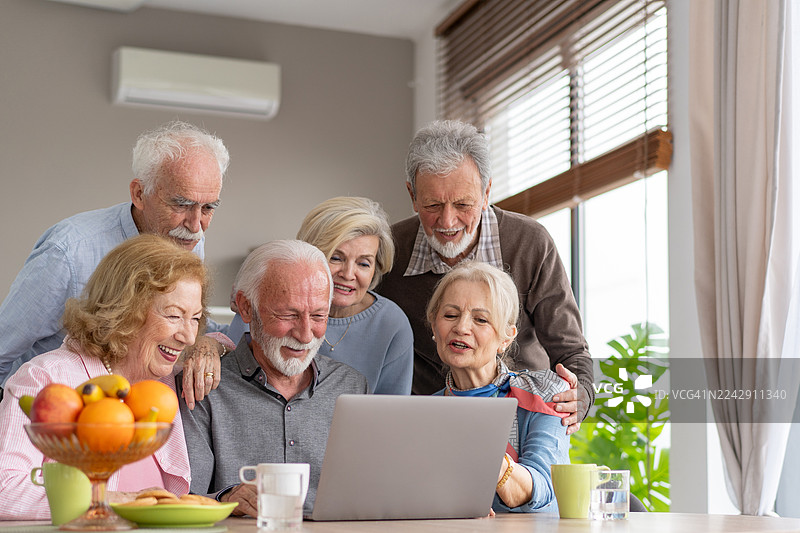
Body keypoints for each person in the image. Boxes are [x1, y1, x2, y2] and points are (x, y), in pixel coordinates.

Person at [376, 119, 593, 433]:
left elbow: (571, 351)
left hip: (520, 422)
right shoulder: (392, 251)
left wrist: (580, 396)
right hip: (430, 426)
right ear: (412, 196)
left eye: (463, 204)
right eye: (432, 204)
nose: (447, 221)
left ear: (487, 191)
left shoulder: (530, 243)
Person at [0, 120, 233, 404]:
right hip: (48, 415)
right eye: (181, 204)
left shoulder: (186, 239)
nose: (196, 225)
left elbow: (186, 326)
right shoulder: (68, 251)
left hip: (133, 414)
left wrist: (210, 342)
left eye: (208, 207)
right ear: (138, 194)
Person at [0, 234, 213, 520]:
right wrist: (106, 500)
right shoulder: (47, 379)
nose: (188, 336)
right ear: (125, 310)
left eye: (196, 318)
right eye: (174, 316)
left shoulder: (161, 384)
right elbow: (5, 490)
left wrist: (215, 342)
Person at [179, 240, 369, 518]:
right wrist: (228, 499)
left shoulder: (352, 387)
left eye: (318, 315)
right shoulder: (205, 385)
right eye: (288, 315)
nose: (305, 335)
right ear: (245, 307)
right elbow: (184, 501)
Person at [226, 197, 413, 394]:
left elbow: (391, 411)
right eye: (336, 258)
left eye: (363, 263)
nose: (349, 274)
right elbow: (229, 365)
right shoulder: (263, 303)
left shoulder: (392, 324)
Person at [428, 261, 569, 513]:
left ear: (506, 338)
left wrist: (485, 454)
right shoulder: (421, 413)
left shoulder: (544, 392)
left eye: (480, 319)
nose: (461, 328)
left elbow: (543, 487)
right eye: (450, 315)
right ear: (434, 327)